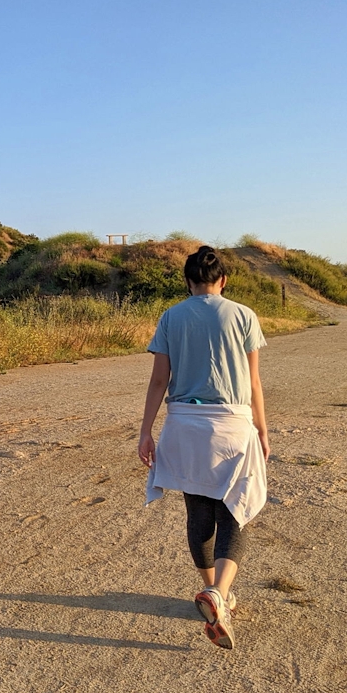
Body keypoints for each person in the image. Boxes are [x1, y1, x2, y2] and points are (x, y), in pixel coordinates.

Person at [138, 245, 270, 650]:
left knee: (198, 512)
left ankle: (213, 591)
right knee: (235, 511)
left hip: (185, 426)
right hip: (232, 424)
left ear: (188, 282)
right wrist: (263, 431)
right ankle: (219, 595)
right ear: (223, 281)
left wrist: (146, 431)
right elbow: (253, 383)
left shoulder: (172, 316)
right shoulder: (243, 315)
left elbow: (159, 380)